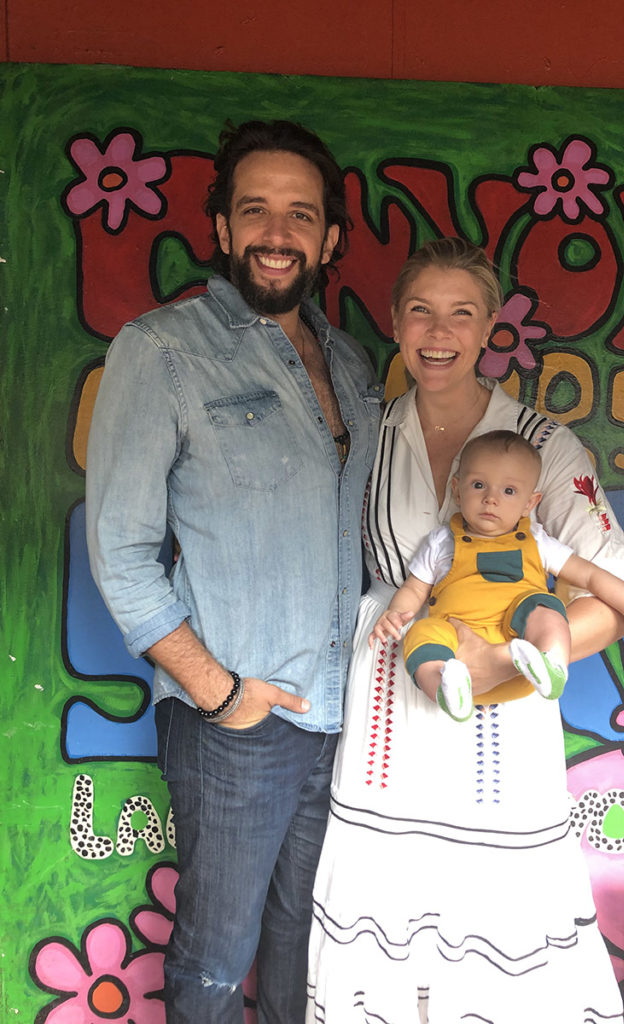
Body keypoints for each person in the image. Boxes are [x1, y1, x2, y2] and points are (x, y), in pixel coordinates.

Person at [306, 237, 624, 1022]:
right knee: (388, 917)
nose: (439, 332)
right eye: (421, 310)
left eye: (462, 313)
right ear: (393, 321)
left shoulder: (543, 443)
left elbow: (614, 590)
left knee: (497, 922)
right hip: (391, 709)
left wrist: (497, 664)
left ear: (493, 325)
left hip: (504, 715)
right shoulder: (363, 436)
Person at [85, 119, 381, 1023]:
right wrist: (222, 695)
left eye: (302, 214)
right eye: (255, 210)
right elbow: (121, 553)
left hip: (342, 723)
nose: (277, 233)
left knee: (307, 950)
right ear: (220, 228)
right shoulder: (162, 349)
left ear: (331, 237)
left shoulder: (351, 361)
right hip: (235, 728)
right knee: (215, 964)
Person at [371, 429, 624, 721]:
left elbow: (591, 577)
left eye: (508, 491)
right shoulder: (441, 542)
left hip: (521, 651)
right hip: (457, 651)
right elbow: (415, 588)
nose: (491, 499)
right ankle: (447, 690)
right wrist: (396, 613)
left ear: (530, 503)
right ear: (457, 490)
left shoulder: (538, 542)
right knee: (421, 634)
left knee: (541, 606)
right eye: (478, 485)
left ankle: (552, 663)